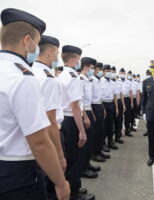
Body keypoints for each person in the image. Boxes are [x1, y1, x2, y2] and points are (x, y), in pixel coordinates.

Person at [0, 8, 70, 200]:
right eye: (37, 43)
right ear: (26, 41)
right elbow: (39, 142)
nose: (37, 49)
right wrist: (60, 182)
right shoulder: (22, 77)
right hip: (17, 172)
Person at [31, 35, 68, 199]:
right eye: (57, 53)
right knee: (52, 181)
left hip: (32, 137)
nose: (58, 57)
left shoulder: (29, 71)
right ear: (51, 52)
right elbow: (51, 120)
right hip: (49, 136)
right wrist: (59, 156)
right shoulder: (48, 78)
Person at [58, 45, 95, 200]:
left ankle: (73, 188)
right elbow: (75, 106)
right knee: (75, 158)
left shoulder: (62, 75)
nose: (79, 62)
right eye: (78, 59)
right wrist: (81, 131)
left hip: (64, 120)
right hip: (72, 120)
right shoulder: (73, 77)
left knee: (69, 156)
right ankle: (73, 193)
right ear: (73, 59)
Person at [79, 57, 100, 179]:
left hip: (88, 110)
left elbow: (88, 101)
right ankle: (83, 168)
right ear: (86, 67)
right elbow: (79, 101)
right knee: (85, 143)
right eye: (92, 67)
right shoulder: (80, 79)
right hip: (84, 113)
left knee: (90, 141)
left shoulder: (87, 80)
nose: (93, 70)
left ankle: (87, 164)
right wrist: (86, 117)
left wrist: (91, 113)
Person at [90, 62, 110, 162]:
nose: (100, 71)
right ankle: (95, 153)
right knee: (96, 131)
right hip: (93, 107)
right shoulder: (91, 80)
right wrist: (92, 112)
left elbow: (99, 97)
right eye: (98, 69)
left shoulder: (97, 81)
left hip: (99, 106)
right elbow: (88, 99)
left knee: (101, 131)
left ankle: (99, 150)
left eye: (101, 70)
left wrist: (103, 108)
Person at [100, 64, 119, 150]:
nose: (108, 73)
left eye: (109, 71)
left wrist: (117, 108)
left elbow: (115, 96)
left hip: (111, 104)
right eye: (106, 71)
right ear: (103, 72)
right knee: (103, 126)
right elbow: (99, 97)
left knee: (110, 124)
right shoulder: (100, 81)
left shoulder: (113, 83)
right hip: (103, 104)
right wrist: (102, 108)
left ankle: (110, 142)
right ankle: (103, 144)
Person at [111, 66, 126, 144]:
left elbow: (121, 94)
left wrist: (123, 105)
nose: (113, 73)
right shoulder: (107, 82)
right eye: (112, 72)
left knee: (119, 120)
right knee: (110, 122)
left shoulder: (118, 82)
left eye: (114, 72)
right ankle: (110, 140)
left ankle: (118, 136)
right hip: (111, 102)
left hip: (119, 101)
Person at [120, 68, 134, 137]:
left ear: (125, 74)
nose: (122, 74)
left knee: (127, 116)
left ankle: (127, 130)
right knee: (119, 117)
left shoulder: (128, 82)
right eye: (121, 73)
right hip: (119, 100)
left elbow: (131, 93)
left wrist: (131, 102)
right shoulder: (117, 81)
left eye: (123, 73)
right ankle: (119, 132)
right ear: (119, 73)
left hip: (127, 99)